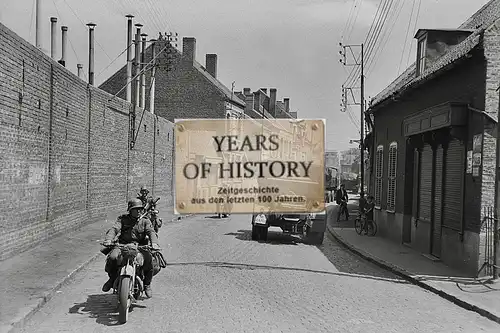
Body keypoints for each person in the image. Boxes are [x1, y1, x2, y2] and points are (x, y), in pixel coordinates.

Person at [101, 198, 161, 298]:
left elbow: (151, 232)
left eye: (140, 209)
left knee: (149, 261)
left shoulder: (145, 221)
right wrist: (108, 239)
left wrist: (154, 243)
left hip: (140, 246)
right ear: (130, 210)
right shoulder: (123, 219)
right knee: (112, 258)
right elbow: (114, 229)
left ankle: (147, 284)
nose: (138, 211)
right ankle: (112, 279)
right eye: (135, 209)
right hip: (122, 245)